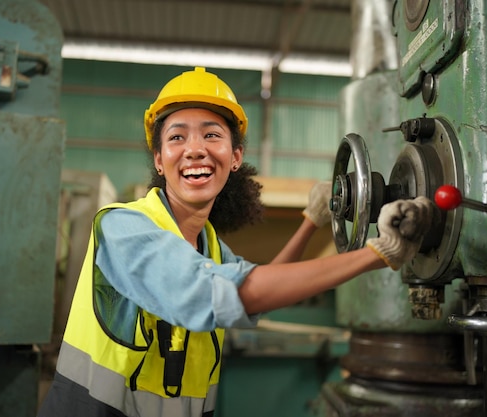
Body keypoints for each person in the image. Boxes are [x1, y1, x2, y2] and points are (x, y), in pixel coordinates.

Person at [37, 67, 436, 417]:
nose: (195, 149)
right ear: (159, 160)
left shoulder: (207, 245)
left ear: (235, 157)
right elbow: (230, 293)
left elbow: (262, 284)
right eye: (176, 138)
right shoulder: (123, 228)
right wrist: (378, 253)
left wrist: (310, 222)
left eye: (212, 135)